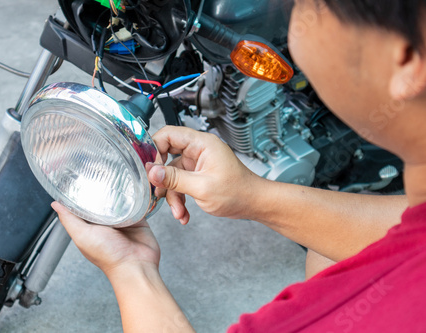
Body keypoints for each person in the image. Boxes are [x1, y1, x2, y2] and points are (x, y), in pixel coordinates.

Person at [51, 0, 426, 331]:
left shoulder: (311, 319)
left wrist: (130, 269)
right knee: (325, 251)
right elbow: (412, 233)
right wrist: (253, 196)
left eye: (305, 6)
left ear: (405, 60)